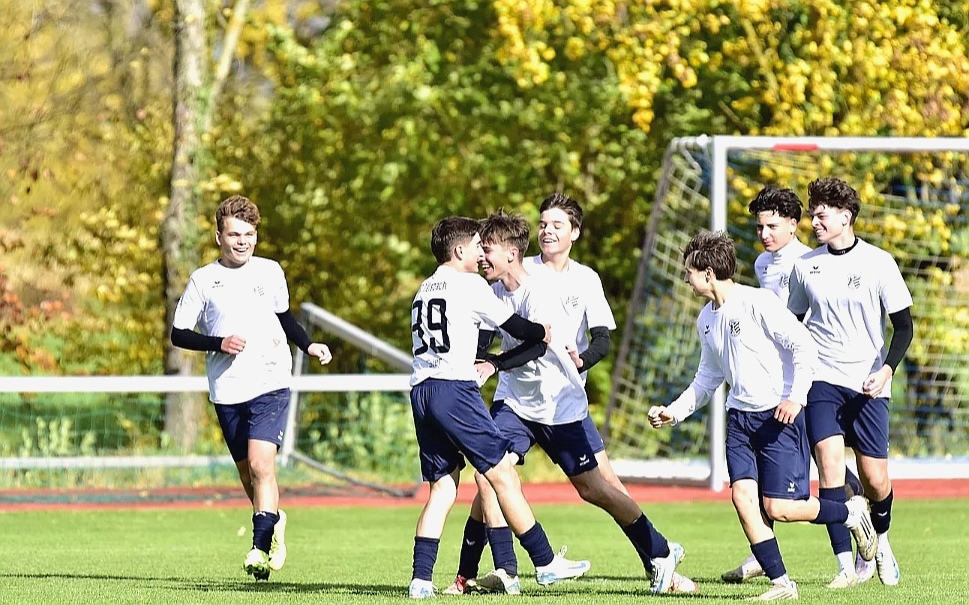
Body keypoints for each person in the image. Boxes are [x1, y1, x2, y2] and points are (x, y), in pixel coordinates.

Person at [447, 211, 691, 596]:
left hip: (559, 404)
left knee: (594, 488)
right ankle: (497, 572)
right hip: (515, 402)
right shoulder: (491, 290)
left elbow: (536, 345)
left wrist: (493, 364)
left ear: (511, 253)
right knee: (489, 474)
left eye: (487, 250)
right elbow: (482, 341)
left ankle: (661, 550)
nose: (481, 257)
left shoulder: (539, 291)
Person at [647, 230, 877, 602]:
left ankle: (850, 513)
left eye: (688, 271)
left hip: (778, 418)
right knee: (742, 497)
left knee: (780, 508)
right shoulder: (706, 319)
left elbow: (804, 347)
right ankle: (782, 584)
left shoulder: (758, 302)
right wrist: (672, 413)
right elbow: (707, 377)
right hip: (739, 421)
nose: (685, 278)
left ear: (708, 273)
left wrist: (795, 398)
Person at [407, 216, 590, 599]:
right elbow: (517, 327)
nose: (480, 253)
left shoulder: (424, 288)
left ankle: (420, 581)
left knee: (443, 487)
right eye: (477, 245)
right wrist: (542, 332)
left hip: (421, 390)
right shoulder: (470, 284)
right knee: (502, 472)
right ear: (459, 250)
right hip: (454, 389)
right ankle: (545, 562)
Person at [170, 195, 333, 580]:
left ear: (256, 236)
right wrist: (218, 343)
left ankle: (259, 548)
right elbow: (178, 333)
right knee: (249, 476)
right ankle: (273, 521)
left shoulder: (270, 271)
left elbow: (285, 318)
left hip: (270, 380)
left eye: (248, 234)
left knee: (262, 465)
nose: (242, 242)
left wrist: (308, 344)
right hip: (227, 390)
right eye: (234, 235)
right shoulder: (203, 280)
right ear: (219, 237)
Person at [721, 186, 873, 585]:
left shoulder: (807, 263)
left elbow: (804, 325)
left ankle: (851, 548)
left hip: (800, 384)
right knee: (764, 476)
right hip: (769, 385)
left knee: (823, 469)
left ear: (793, 224)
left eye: (773, 226)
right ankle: (763, 553)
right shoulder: (761, 264)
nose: (764, 234)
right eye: (760, 226)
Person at [787, 178, 914, 588]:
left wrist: (887, 370)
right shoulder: (805, 266)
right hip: (822, 379)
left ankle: (881, 540)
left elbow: (904, 327)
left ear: (846, 216)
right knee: (829, 467)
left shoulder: (879, 262)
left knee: (874, 479)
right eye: (813, 215)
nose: (814, 222)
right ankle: (845, 565)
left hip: (868, 384)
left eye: (821, 215)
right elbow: (793, 325)